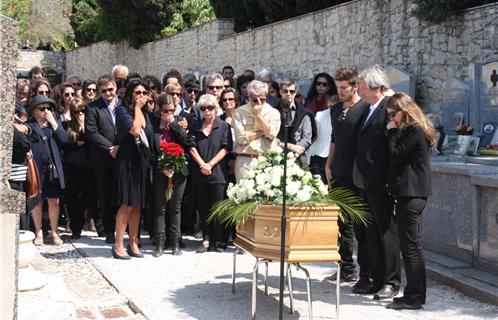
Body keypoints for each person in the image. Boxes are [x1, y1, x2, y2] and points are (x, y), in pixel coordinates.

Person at [353, 65, 400, 299]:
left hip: (379, 181)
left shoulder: (387, 108)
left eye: (363, 88)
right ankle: (378, 278)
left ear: (378, 88)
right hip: (364, 180)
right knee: (372, 232)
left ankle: (392, 281)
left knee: (386, 232)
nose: (360, 91)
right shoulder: (370, 108)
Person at [384, 93, 435, 310]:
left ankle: (414, 298)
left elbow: (396, 155)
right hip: (409, 194)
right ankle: (414, 294)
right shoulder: (413, 130)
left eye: (393, 114)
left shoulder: (413, 131)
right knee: (411, 245)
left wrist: (392, 133)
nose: (392, 119)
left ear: (404, 111)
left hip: (411, 194)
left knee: (411, 247)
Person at [324, 67, 370, 285]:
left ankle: (365, 271)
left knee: (360, 225)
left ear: (355, 86)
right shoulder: (336, 109)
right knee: (341, 223)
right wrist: (328, 163)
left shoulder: (364, 109)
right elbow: (334, 137)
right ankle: (346, 268)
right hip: (339, 171)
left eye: (344, 88)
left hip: (357, 173)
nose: (340, 92)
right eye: (338, 87)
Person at [112, 80, 154, 259]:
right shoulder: (122, 111)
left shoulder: (146, 112)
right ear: (130, 95)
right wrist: (137, 108)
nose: (142, 96)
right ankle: (118, 244)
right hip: (127, 162)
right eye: (138, 93)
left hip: (141, 162)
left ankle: (133, 242)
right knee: (127, 204)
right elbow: (135, 130)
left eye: (144, 92)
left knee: (137, 205)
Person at [189, 94, 232, 253]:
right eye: (203, 108)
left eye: (210, 107)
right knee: (203, 207)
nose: (207, 111)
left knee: (218, 207)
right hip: (200, 173)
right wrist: (202, 164)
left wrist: (210, 164)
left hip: (218, 173)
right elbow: (191, 147)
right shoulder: (195, 126)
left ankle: (219, 240)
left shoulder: (224, 126)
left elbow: (226, 148)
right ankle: (206, 239)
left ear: (216, 108)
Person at [151, 94, 192, 257]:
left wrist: (173, 123)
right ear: (159, 110)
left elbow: (186, 141)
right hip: (160, 170)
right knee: (160, 207)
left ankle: (175, 243)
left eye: (172, 110)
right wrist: (161, 166)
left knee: (175, 207)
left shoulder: (179, 121)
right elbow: (149, 149)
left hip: (179, 170)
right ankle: (160, 244)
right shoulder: (152, 124)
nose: (169, 113)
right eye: (166, 110)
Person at [26, 95, 68, 245]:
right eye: (42, 108)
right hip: (36, 168)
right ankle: (38, 232)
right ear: (34, 111)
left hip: (53, 168)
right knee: (37, 200)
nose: (46, 111)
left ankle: (54, 232)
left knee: (54, 201)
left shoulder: (54, 124)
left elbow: (65, 140)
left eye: (48, 108)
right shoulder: (29, 125)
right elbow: (23, 143)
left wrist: (54, 123)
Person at [85, 75, 120, 243]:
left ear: (115, 87)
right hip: (102, 159)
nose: (108, 93)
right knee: (105, 196)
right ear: (99, 91)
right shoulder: (93, 108)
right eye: (104, 90)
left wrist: (120, 148)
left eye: (110, 89)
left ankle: (123, 229)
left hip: (122, 157)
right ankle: (108, 231)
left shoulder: (123, 106)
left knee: (121, 194)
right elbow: (91, 132)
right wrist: (110, 148)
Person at [62, 98, 98, 239]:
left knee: (93, 199)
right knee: (73, 200)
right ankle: (75, 228)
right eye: (76, 112)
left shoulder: (91, 124)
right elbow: (64, 143)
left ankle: (99, 226)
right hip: (73, 167)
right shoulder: (66, 125)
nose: (80, 114)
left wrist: (82, 133)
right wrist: (77, 144)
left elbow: (92, 140)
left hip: (90, 167)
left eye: (82, 111)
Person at [232, 80, 281, 182]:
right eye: (255, 100)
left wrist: (258, 115)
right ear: (249, 96)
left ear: (266, 95)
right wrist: (263, 132)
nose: (258, 103)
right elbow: (241, 138)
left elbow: (272, 134)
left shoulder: (273, 113)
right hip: (245, 160)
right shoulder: (239, 112)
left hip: (266, 160)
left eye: (262, 99)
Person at [276, 79, 316, 167]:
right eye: (285, 91)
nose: (288, 94)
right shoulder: (273, 112)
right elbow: (270, 136)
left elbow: (307, 139)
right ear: (280, 92)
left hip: (299, 159)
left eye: (292, 91)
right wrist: (289, 146)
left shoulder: (304, 113)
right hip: (277, 157)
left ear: (295, 92)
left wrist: (294, 156)